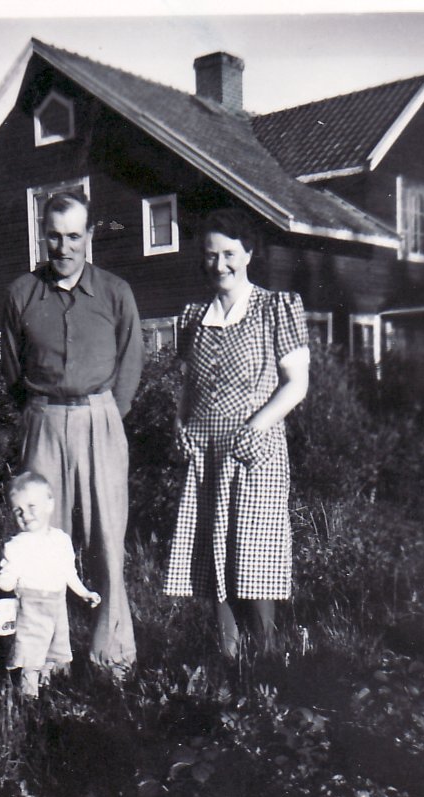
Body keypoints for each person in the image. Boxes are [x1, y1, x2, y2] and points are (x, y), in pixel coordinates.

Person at [1, 190, 144, 673]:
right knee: (40, 541)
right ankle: (45, 661)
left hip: (99, 421)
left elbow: (130, 362)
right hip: (42, 419)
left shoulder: (114, 292)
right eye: (55, 237)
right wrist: (40, 414)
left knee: (107, 540)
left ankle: (112, 657)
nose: (64, 247)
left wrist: (105, 416)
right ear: (43, 235)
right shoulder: (21, 293)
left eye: (74, 237)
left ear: (90, 236)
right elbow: (12, 367)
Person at [164, 209, 309, 657]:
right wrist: (180, 425)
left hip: (254, 449)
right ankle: (228, 659)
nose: (220, 265)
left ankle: (267, 659)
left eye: (229, 253)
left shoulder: (275, 307)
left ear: (248, 253)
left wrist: (256, 426)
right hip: (205, 451)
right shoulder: (193, 316)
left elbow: (297, 384)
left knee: (254, 553)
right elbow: (186, 387)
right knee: (211, 553)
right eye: (210, 256)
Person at [0, 471, 101, 697]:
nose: (25, 515)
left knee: (53, 651)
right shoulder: (16, 546)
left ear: (49, 504)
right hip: (32, 605)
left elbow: (68, 573)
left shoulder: (61, 540)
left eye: (31, 507)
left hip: (57, 605)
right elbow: (8, 585)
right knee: (31, 655)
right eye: (18, 511)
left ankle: (46, 691)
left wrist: (84, 592)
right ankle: (28, 697)